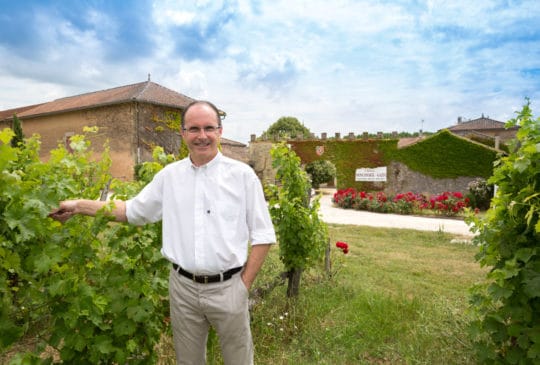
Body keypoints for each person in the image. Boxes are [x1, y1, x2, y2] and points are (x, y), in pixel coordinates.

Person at [49, 100, 276, 365]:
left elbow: (263, 235)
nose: (201, 136)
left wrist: (243, 285)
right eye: (193, 129)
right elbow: (131, 211)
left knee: (239, 361)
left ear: (220, 131)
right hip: (183, 290)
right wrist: (79, 206)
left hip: (229, 288)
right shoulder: (169, 177)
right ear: (183, 134)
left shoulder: (242, 176)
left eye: (208, 128)